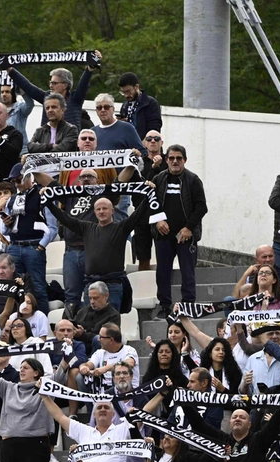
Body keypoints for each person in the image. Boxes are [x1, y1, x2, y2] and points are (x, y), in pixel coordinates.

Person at [152, 144, 207, 317]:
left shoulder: (193, 179)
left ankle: (188, 305)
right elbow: (149, 204)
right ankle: (165, 306)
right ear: (166, 159)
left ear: (185, 160)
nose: (175, 161)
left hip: (186, 235)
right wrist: (157, 221)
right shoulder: (159, 179)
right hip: (163, 235)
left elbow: (201, 207)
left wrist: (188, 228)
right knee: (162, 272)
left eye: (179, 158)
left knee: (188, 272)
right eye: (171, 158)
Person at [117, 72, 162, 139]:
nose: (126, 95)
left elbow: (155, 127)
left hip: (146, 145)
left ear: (137, 87)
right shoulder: (125, 105)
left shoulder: (151, 103)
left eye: (128, 91)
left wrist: (145, 142)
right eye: (123, 92)